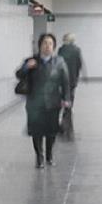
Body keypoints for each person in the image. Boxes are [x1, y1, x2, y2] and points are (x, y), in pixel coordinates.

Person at [16, 33, 71, 168]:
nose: (47, 46)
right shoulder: (31, 61)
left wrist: (66, 99)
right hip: (34, 103)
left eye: (50, 44)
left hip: (53, 102)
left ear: (54, 47)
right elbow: (18, 74)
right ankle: (39, 157)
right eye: (45, 43)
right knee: (37, 131)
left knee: (51, 131)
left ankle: (49, 155)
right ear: (39, 45)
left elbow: (65, 82)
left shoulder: (59, 62)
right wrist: (26, 67)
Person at [58, 33, 83, 141]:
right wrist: (76, 76)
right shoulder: (77, 50)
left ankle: (64, 123)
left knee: (64, 99)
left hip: (62, 79)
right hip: (72, 80)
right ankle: (66, 124)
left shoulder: (61, 50)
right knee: (69, 100)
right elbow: (79, 65)